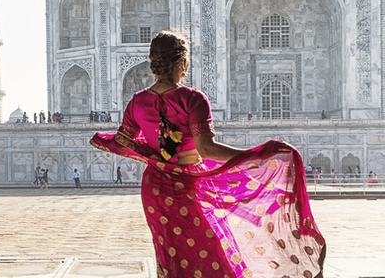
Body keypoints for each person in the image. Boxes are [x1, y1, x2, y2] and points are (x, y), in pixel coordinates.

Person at [91, 30, 325, 278]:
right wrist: (256, 156)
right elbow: (207, 150)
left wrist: (151, 154)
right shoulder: (192, 99)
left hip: (155, 187)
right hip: (188, 182)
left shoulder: (137, 101)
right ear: (182, 63)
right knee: (211, 250)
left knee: (171, 254)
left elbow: (121, 141)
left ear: (153, 62)